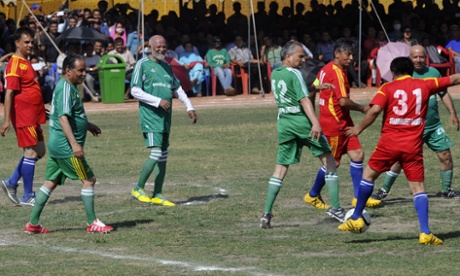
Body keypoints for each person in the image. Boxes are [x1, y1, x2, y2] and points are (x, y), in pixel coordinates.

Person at [338, 56, 460, 245]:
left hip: (389, 144)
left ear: (393, 73)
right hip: (413, 146)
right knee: (418, 188)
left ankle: (355, 217)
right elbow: (453, 79)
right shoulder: (425, 84)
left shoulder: (387, 88)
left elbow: (374, 110)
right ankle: (425, 232)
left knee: (368, 176)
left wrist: (358, 129)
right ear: (411, 70)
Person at [24, 52, 113, 234]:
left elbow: (69, 116)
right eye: (80, 70)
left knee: (50, 182)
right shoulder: (65, 88)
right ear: (68, 70)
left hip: (58, 145)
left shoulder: (69, 87)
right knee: (89, 180)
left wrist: (87, 125)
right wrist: (74, 144)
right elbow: (63, 118)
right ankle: (92, 223)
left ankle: (32, 224)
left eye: (85, 70)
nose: (83, 73)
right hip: (65, 147)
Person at [260, 41, 341, 228]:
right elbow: (304, 100)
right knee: (329, 159)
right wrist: (315, 122)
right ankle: (336, 208)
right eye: (300, 56)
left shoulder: (276, 72)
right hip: (300, 121)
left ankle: (266, 213)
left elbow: (291, 88)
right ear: (288, 57)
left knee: (280, 168)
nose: (303, 59)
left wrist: (315, 88)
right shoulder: (295, 73)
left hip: (284, 122)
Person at [371, 45, 460, 202]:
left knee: (446, 155)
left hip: (433, 126)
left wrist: (453, 113)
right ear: (409, 58)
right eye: (415, 57)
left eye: (421, 57)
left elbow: (443, 92)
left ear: (425, 57)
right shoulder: (403, 76)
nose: (418, 60)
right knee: (399, 161)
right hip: (410, 129)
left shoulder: (433, 73)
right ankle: (384, 190)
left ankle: (447, 190)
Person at [306, 38, 379, 219]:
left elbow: (313, 88)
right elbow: (343, 101)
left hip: (343, 122)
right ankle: (313, 194)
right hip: (335, 125)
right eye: (348, 54)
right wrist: (362, 108)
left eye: (352, 55)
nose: (351, 58)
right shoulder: (337, 72)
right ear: (337, 53)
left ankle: (356, 198)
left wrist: (315, 112)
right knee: (333, 163)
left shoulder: (325, 69)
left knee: (358, 155)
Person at [129, 35, 197, 206]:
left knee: (163, 156)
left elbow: (178, 88)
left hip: (166, 118)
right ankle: (137, 189)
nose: (161, 49)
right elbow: (135, 91)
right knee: (156, 153)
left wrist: (189, 106)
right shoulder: (142, 65)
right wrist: (157, 101)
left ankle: (158, 194)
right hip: (150, 117)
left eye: (164, 46)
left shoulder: (167, 66)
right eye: (158, 46)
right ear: (150, 47)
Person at [1, 27, 47, 206]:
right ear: (17, 43)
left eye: (31, 42)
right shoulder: (14, 64)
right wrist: (6, 121)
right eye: (26, 42)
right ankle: (27, 195)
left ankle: (11, 182)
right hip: (23, 115)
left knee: (40, 151)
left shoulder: (25, 62)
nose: (30, 45)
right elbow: (9, 93)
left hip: (33, 115)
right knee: (31, 152)